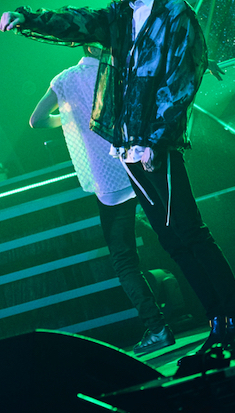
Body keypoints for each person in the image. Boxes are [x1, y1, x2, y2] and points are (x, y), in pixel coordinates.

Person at [0, 0, 235, 369]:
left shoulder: (174, 12)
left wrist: (156, 139)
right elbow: (76, 21)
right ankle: (218, 324)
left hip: (154, 145)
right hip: (126, 145)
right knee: (172, 240)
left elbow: (182, 79)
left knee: (191, 233)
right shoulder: (121, 16)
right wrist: (27, 17)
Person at [29, 43, 174, 356]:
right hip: (142, 165)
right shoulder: (121, 67)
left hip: (108, 180)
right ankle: (217, 312)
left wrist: (67, 118)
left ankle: (157, 327)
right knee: (177, 238)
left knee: (124, 259)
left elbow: (36, 120)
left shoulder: (65, 80)